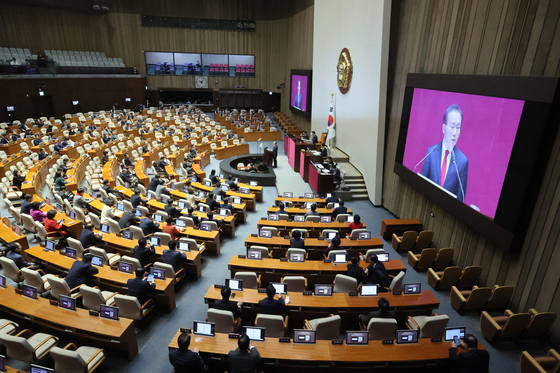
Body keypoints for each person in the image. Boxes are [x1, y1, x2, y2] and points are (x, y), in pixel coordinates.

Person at [420, 104, 469, 203]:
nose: (455, 132)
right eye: (452, 126)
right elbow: (420, 185)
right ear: (443, 128)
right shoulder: (431, 152)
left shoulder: (462, 162)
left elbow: (460, 199)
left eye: (458, 127)